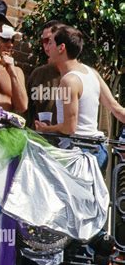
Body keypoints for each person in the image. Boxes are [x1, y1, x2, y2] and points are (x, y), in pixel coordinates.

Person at [35, 25, 125, 172]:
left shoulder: (69, 81)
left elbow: (69, 127)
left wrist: (46, 129)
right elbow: (118, 110)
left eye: (50, 42)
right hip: (98, 151)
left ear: (61, 48)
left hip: (79, 153)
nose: (47, 48)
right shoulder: (92, 73)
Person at [26, 20, 64, 128]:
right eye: (44, 41)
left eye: (50, 41)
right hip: (40, 140)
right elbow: (28, 113)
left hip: (72, 142)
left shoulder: (80, 74)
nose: (47, 46)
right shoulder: (38, 74)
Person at [0, 25, 28, 113]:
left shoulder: (17, 71)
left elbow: (22, 107)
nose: (10, 44)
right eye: (5, 40)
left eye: (12, 40)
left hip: (6, 124)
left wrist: (12, 74)